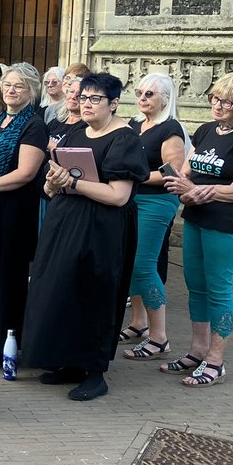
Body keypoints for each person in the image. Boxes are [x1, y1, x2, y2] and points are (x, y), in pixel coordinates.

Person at [22, 73, 148, 401]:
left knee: (95, 294)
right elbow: (54, 183)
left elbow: (119, 195)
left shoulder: (124, 139)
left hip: (102, 229)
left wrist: (73, 184)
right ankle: (69, 361)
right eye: (83, 98)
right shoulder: (77, 131)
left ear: (114, 103)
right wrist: (52, 182)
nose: (86, 104)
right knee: (63, 289)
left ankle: (94, 372)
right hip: (65, 223)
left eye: (95, 99)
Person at [159, 72, 233, 387]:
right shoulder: (205, 130)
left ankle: (216, 361)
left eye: (227, 102)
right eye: (215, 99)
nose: (218, 105)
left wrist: (205, 191)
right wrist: (183, 186)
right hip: (196, 217)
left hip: (224, 221)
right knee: (196, 285)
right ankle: (197, 350)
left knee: (218, 289)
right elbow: (187, 170)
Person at [0, 63, 48, 364]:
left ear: (31, 90)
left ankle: (2, 344)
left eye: (19, 86)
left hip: (13, 213)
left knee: (7, 279)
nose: (11, 90)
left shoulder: (34, 125)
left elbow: (26, 173)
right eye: (7, 85)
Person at [119, 74, 187, 357]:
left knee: (144, 265)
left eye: (150, 94)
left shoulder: (170, 129)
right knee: (130, 261)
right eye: (140, 93)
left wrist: (136, 175)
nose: (143, 98)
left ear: (166, 99)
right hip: (132, 200)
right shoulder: (134, 124)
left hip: (157, 203)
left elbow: (173, 172)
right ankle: (138, 324)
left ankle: (160, 337)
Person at [46, 62, 91, 149]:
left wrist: (46, 142)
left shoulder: (86, 127)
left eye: (79, 95)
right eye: (71, 91)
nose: (73, 97)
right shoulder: (56, 121)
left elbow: (71, 153)